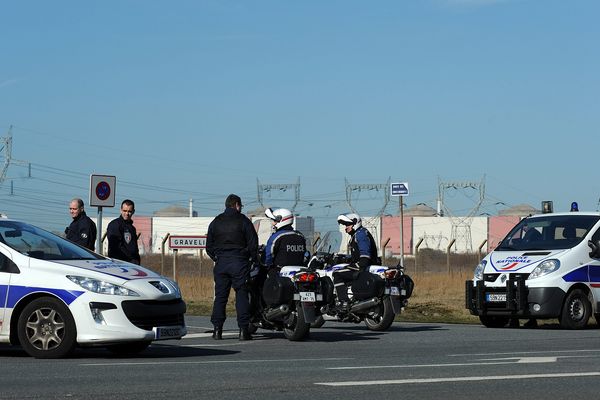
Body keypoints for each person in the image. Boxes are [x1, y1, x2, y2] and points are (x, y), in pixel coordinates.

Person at [206, 194, 258, 341]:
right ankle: (243, 330)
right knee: (241, 295)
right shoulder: (244, 221)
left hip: (221, 263)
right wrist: (252, 259)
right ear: (236, 205)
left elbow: (208, 246)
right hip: (239, 262)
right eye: (240, 206)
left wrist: (217, 257)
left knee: (220, 297)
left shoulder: (216, 222)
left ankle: (217, 330)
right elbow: (253, 244)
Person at [333, 213, 379, 309]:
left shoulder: (360, 234)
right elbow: (357, 254)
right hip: (366, 264)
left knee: (337, 274)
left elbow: (365, 253)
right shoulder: (359, 234)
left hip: (363, 266)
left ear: (355, 223)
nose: (346, 228)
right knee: (344, 270)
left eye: (347, 225)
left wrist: (361, 267)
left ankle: (344, 301)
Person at [106, 199, 141, 265]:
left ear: (133, 211)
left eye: (129, 211)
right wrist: (130, 259)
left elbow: (134, 248)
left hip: (132, 264)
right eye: (125, 211)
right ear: (121, 210)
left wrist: (137, 260)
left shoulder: (132, 228)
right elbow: (116, 247)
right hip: (119, 264)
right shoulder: (115, 225)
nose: (127, 214)